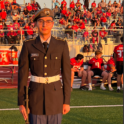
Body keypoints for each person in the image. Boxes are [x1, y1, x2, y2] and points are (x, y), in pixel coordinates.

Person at [18, 8, 71, 124]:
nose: (44, 24)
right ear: (36, 23)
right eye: (41, 21)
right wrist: (22, 102)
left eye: (48, 21)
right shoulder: (28, 45)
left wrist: (66, 101)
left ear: (52, 24)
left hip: (56, 98)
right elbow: (22, 75)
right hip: (35, 98)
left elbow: (67, 75)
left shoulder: (61, 44)